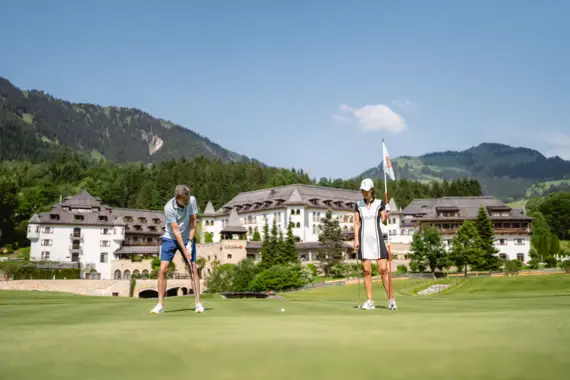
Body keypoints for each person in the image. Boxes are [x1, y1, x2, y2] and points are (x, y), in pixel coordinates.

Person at [150, 184, 204, 314]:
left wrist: (190, 241)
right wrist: (185, 250)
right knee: (163, 269)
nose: (188, 201)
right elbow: (175, 231)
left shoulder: (192, 200)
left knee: (193, 268)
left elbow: (193, 221)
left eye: (188, 198)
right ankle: (160, 305)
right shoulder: (168, 208)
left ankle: (198, 304)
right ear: (177, 197)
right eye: (185, 200)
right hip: (170, 238)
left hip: (187, 238)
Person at [353, 178, 397, 310]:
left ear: (372, 190)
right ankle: (370, 301)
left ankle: (390, 299)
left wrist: (387, 212)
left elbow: (384, 220)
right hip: (363, 239)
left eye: (366, 191)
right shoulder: (358, 204)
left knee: (383, 270)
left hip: (377, 240)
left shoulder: (379, 203)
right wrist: (356, 239)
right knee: (367, 271)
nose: (364, 193)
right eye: (362, 190)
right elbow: (356, 223)